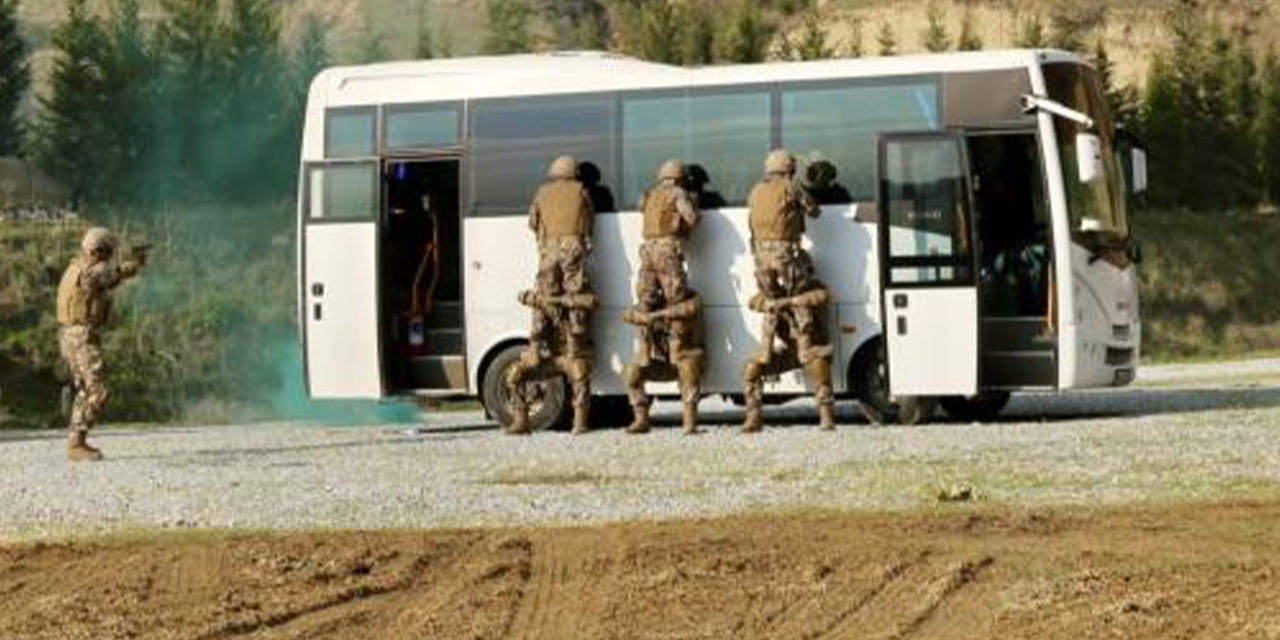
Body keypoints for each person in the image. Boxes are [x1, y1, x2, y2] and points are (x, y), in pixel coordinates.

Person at [742, 150, 836, 433]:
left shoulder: (755, 191)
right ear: (788, 170)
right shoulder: (791, 186)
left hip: (761, 264)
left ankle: (754, 413)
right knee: (801, 309)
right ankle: (826, 416)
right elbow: (813, 211)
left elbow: (751, 227)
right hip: (787, 259)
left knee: (773, 305)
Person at [506, 155, 598, 435]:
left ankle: (521, 417)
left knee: (543, 302)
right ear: (573, 173)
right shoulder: (581, 191)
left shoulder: (542, 193)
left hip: (548, 253)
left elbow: (532, 221)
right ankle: (579, 421)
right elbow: (589, 222)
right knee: (575, 303)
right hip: (573, 250)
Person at [621, 159, 704, 435]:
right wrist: (695, 209)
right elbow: (692, 219)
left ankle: (645, 351)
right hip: (668, 252)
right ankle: (676, 351)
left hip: (646, 252)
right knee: (676, 303)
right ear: (679, 178)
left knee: (645, 304)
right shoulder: (677, 193)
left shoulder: (650, 194)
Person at [56, 227, 148, 461]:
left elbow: (107, 280)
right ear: (98, 251)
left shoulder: (75, 267)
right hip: (81, 336)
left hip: (70, 335)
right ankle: (76, 442)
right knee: (98, 391)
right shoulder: (93, 269)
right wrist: (137, 264)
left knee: (85, 390)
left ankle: (76, 443)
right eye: (108, 251)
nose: (109, 255)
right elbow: (114, 275)